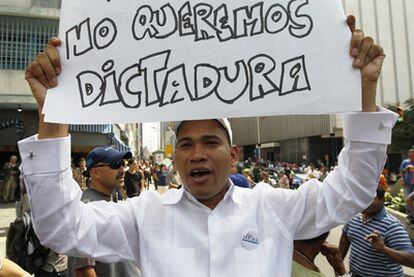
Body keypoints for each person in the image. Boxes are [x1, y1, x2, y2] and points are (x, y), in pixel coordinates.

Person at [20, 15, 397, 276]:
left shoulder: (275, 207)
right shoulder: (144, 215)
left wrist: (364, 91)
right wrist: (53, 113)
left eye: (209, 142)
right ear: (177, 157)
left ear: (233, 156)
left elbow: (352, 191)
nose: (196, 153)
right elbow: (61, 228)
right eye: (185, 144)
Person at [67, 147, 140, 277]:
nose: (122, 170)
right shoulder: (86, 207)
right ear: (95, 173)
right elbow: (83, 269)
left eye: (123, 164)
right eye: (115, 165)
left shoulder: (111, 201)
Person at [339, 186, 414, 276]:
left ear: (382, 200)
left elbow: (411, 260)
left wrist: (383, 249)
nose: (365, 203)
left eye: (371, 199)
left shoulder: (392, 226)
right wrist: (338, 263)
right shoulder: (353, 217)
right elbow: (345, 237)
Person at [400, 148, 414, 218]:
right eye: (410, 155)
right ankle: (410, 214)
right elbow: (401, 172)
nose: (411, 156)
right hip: (407, 183)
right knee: (407, 198)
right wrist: (403, 180)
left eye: (413, 155)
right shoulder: (405, 162)